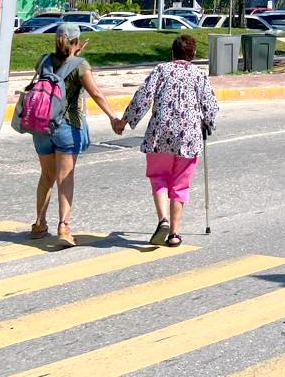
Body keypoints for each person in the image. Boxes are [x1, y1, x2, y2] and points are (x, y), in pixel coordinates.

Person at [115, 34, 219, 247]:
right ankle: (174, 233)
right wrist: (207, 123)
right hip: (188, 137)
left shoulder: (162, 70)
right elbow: (210, 107)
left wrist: (124, 121)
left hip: (160, 133)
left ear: (172, 53)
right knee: (180, 183)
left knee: (158, 176)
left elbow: (143, 97)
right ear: (194, 55)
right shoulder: (199, 75)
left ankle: (162, 220)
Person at [31, 22, 120, 247]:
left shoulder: (43, 60)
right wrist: (113, 118)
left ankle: (39, 224)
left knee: (46, 176)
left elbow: (55, 70)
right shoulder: (81, 66)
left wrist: (74, 54)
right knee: (65, 178)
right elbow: (96, 93)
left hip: (41, 127)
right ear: (76, 41)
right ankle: (64, 227)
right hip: (67, 126)